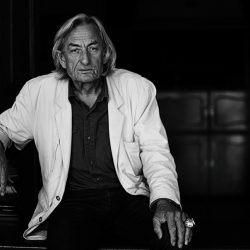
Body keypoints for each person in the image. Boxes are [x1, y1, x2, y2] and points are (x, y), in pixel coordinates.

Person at [0, 13, 195, 250]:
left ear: (105, 54)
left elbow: (156, 151)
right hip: (72, 203)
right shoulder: (38, 91)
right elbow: (4, 129)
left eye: (93, 48)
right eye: (74, 50)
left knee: (173, 236)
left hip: (129, 196)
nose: (84, 60)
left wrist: (165, 200)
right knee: (65, 240)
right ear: (61, 59)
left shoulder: (136, 87)